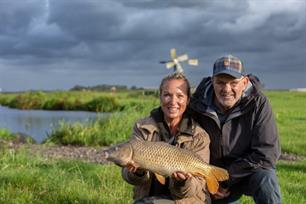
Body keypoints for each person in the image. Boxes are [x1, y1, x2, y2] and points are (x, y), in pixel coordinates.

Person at [189, 55, 281, 204]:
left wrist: (225, 178)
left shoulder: (258, 103)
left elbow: (266, 153)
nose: (226, 89)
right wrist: (209, 180)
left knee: (266, 179)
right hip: (210, 175)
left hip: (247, 172)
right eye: (220, 82)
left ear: (244, 82)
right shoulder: (197, 104)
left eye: (233, 83)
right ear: (212, 81)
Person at [122, 72, 211, 204]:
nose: (173, 101)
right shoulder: (142, 128)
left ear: (187, 100)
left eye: (180, 96)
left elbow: (196, 188)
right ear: (160, 97)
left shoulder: (199, 136)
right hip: (148, 199)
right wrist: (138, 173)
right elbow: (129, 177)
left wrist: (183, 182)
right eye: (167, 95)